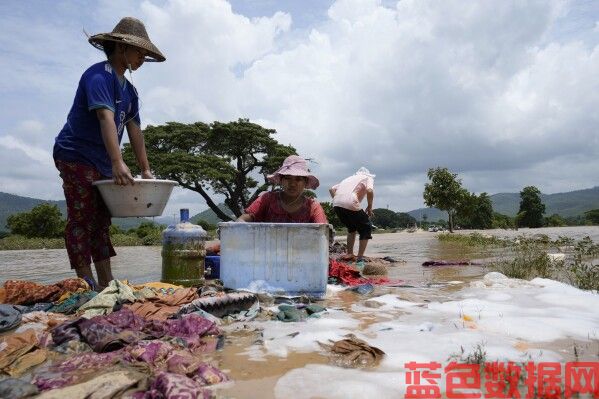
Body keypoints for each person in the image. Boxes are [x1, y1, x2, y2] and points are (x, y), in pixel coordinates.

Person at [53, 17, 165, 290]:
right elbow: (105, 117)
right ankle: (85, 283)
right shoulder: (98, 76)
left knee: (101, 220)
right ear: (121, 48)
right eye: (139, 51)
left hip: (102, 161)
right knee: (82, 217)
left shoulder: (131, 91)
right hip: (75, 154)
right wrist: (117, 161)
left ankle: (106, 281)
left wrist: (146, 169)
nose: (142, 57)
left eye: (144, 53)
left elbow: (135, 130)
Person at [237, 155, 328, 223]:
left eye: (298, 179)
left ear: (305, 182)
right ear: (280, 180)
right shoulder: (267, 199)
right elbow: (242, 219)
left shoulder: (313, 207)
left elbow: (323, 232)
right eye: (287, 178)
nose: (292, 184)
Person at [329, 167, 375, 268]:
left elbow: (331, 189)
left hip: (336, 203)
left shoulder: (349, 178)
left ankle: (349, 253)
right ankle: (360, 258)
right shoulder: (367, 178)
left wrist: (338, 200)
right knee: (366, 227)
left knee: (351, 227)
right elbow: (370, 191)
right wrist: (370, 207)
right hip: (350, 201)